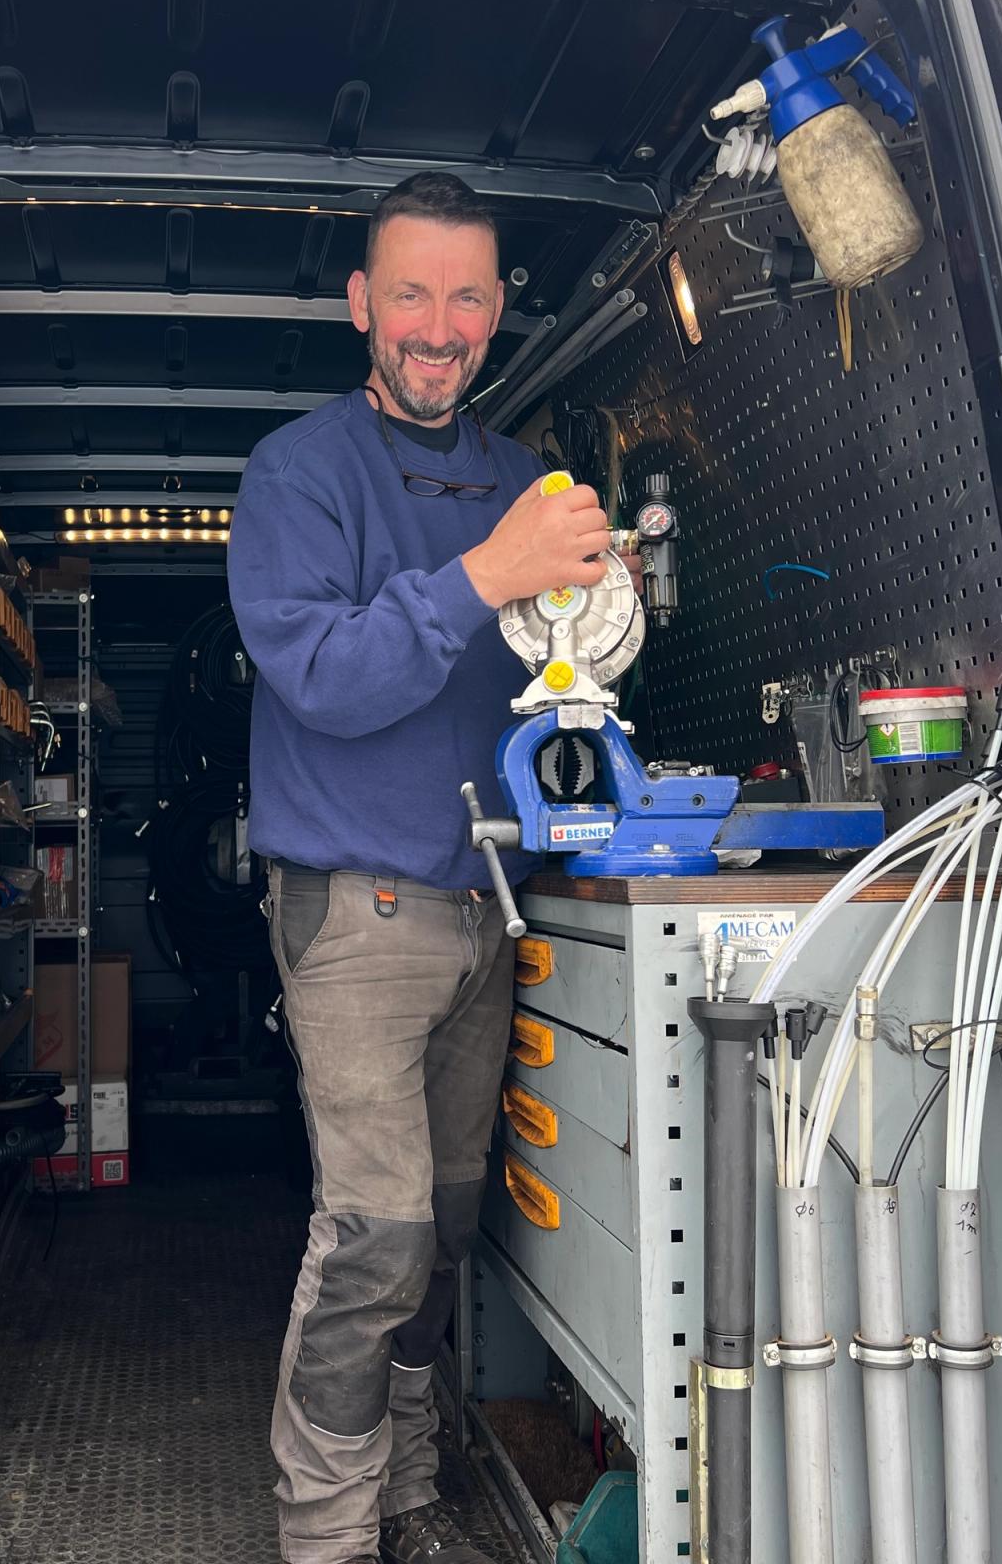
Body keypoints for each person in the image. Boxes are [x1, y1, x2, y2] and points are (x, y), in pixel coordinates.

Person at [227, 171, 618, 1564]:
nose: (437, 326)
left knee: (448, 1227)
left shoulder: (526, 486)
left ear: (498, 311)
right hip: (355, 913)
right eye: (410, 294)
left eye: (465, 296)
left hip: (485, 907)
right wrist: (488, 575)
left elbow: (562, 684)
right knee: (377, 1232)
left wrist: (599, 617)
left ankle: (403, 1491)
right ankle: (327, 1532)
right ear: (361, 305)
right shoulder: (297, 475)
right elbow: (325, 676)